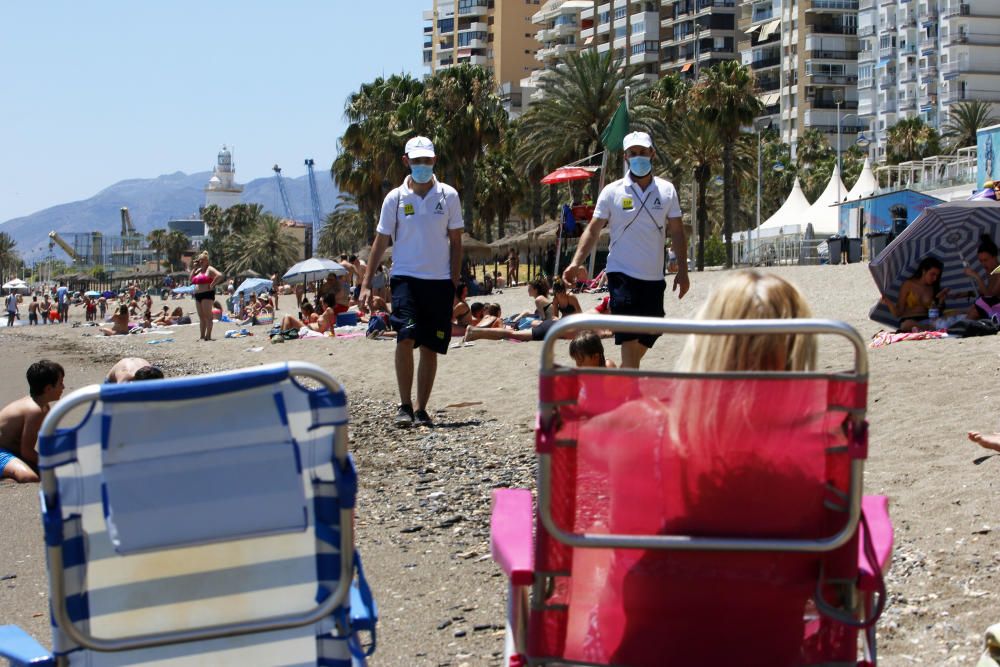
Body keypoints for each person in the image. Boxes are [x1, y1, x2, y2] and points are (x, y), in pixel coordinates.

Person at [359, 135, 463, 428]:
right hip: (405, 278)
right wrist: (366, 283)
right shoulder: (394, 198)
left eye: (426, 160)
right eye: (416, 161)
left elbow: (456, 243)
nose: (422, 166)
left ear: (434, 160)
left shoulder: (449, 196)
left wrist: (453, 283)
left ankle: (421, 409)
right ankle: (404, 405)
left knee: (430, 346)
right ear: (406, 162)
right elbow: (380, 241)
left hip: (439, 281)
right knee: (405, 336)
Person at [562, 130, 689, 368]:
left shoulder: (667, 190)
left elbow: (678, 232)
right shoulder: (612, 191)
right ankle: (628, 393)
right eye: (633, 153)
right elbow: (593, 229)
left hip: (653, 278)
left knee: (654, 328)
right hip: (622, 276)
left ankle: (616, 376)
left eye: (643, 152)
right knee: (629, 341)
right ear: (625, 157)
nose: (638, 157)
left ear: (652, 154)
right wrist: (576, 262)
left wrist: (683, 270)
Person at [0, 360, 65, 483]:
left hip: (13, 451)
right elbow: (27, 451)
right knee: (30, 477)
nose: (63, 387)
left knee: (47, 472)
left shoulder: (43, 406)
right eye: (60, 383)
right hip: (2, 452)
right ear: (48, 388)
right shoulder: (35, 410)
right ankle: (7, 479)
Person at [880, 256, 949, 331]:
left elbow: (935, 313)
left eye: (937, 276)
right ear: (924, 271)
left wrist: (941, 301)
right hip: (910, 320)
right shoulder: (908, 284)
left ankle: (924, 329)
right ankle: (927, 329)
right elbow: (898, 313)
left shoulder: (933, 288)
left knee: (946, 319)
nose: (935, 278)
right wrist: (888, 302)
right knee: (906, 324)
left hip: (927, 320)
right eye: (932, 274)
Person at [965, 234, 1000, 319]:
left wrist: (977, 277)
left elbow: (990, 296)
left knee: (975, 311)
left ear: (994, 257)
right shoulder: (991, 271)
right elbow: (986, 292)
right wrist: (966, 294)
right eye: (981, 261)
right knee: (968, 311)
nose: (983, 264)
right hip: (994, 308)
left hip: (997, 312)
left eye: (986, 260)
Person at [191, 251, 223, 341]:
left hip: (207, 294)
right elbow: (191, 279)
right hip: (198, 295)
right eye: (199, 260)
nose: (200, 262)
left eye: (202, 260)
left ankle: (208, 336)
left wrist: (212, 284)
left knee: (208, 316)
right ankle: (202, 336)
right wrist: (194, 268)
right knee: (201, 316)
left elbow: (219, 275)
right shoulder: (198, 270)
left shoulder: (209, 269)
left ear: (206, 261)